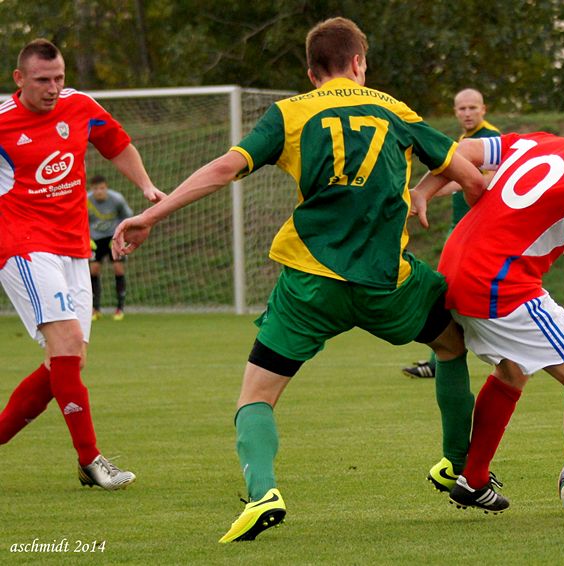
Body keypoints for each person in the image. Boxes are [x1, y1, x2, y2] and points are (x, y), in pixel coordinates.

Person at [111, 17, 487, 543]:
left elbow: (224, 168)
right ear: (360, 63)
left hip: (310, 287)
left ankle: (264, 491)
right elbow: (472, 178)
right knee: (450, 346)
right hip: (389, 283)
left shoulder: (288, 113)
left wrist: (151, 216)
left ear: (312, 73)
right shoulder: (395, 110)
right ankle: (457, 467)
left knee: (256, 398)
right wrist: (425, 194)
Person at [409, 108, 564, 525]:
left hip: (456, 269)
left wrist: (424, 189)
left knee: (512, 372)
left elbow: (463, 150)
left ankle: (472, 479)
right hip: (500, 283)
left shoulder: (542, 142)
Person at [0, 39, 165, 489]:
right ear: (19, 79)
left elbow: (117, 144)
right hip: (23, 245)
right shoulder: (3, 122)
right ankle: (92, 461)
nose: (53, 88)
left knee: (66, 362)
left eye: (59, 78)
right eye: (42, 80)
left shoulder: (79, 106)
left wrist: (148, 189)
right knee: (68, 341)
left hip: (73, 246)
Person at [402, 88, 500, 379]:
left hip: (480, 229)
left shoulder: (488, 137)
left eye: (472, 107)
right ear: (455, 112)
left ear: (484, 108)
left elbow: (487, 179)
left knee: (449, 291)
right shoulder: (465, 140)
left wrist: (427, 193)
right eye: (462, 109)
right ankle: (444, 357)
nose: (467, 113)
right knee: (450, 292)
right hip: (463, 228)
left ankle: (443, 359)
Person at [87, 175, 133, 321]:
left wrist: (120, 237)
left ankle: (120, 308)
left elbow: (128, 218)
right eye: (95, 189)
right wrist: (87, 239)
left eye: (102, 188)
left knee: (118, 268)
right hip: (95, 240)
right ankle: (95, 308)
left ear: (106, 187)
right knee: (93, 270)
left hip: (113, 238)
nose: (99, 191)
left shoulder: (117, 199)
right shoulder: (85, 201)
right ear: (91, 189)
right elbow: (80, 220)